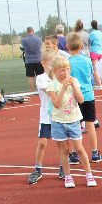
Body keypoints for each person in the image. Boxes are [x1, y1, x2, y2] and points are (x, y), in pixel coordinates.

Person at [45, 56, 97, 188]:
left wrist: (73, 85)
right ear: (55, 71)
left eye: (67, 69)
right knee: (64, 150)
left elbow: (81, 100)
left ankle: (89, 174)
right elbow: (56, 104)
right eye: (62, 70)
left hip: (73, 120)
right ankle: (68, 176)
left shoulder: (75, 81)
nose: (65, 73)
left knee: (79, 148)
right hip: (58, 121)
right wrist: (63, 88)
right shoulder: (51, 85)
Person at [27, 50, 64, 185]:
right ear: (44, 63)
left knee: (61, 144)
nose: (54, 65)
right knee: (42, 143)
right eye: (51, 63)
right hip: (46, 117)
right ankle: (38, 169)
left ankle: (63, 167)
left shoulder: (59, 78)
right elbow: (51, 92)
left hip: (59, 116)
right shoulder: (41, 78)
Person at [66, 33, 102, 164]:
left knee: (75, 125)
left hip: (74, 96)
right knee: (90, 124)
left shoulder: (67, 62)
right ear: (82, 46)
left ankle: (75, 154)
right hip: (87, 95)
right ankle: (95, 152)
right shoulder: (87, 60)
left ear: (67, 47)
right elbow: (91, 74)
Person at [21, 27, 43, 92]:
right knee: (39, 76)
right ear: (33, 31)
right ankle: (40, 90)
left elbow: (24, 48)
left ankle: (32, 91)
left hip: (29, 61)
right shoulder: (39, 39)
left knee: (31, 77)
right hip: (38, 59)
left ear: (27, 31)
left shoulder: (23, 40)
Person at [88, 20, 102, 88]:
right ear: (97, 25)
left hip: (94, 52)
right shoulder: (100, 33)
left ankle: (99, 85)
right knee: (101, 69)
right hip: (101, 52)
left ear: (91, 26)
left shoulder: (91, 34)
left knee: (95, 69)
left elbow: (90, 43)